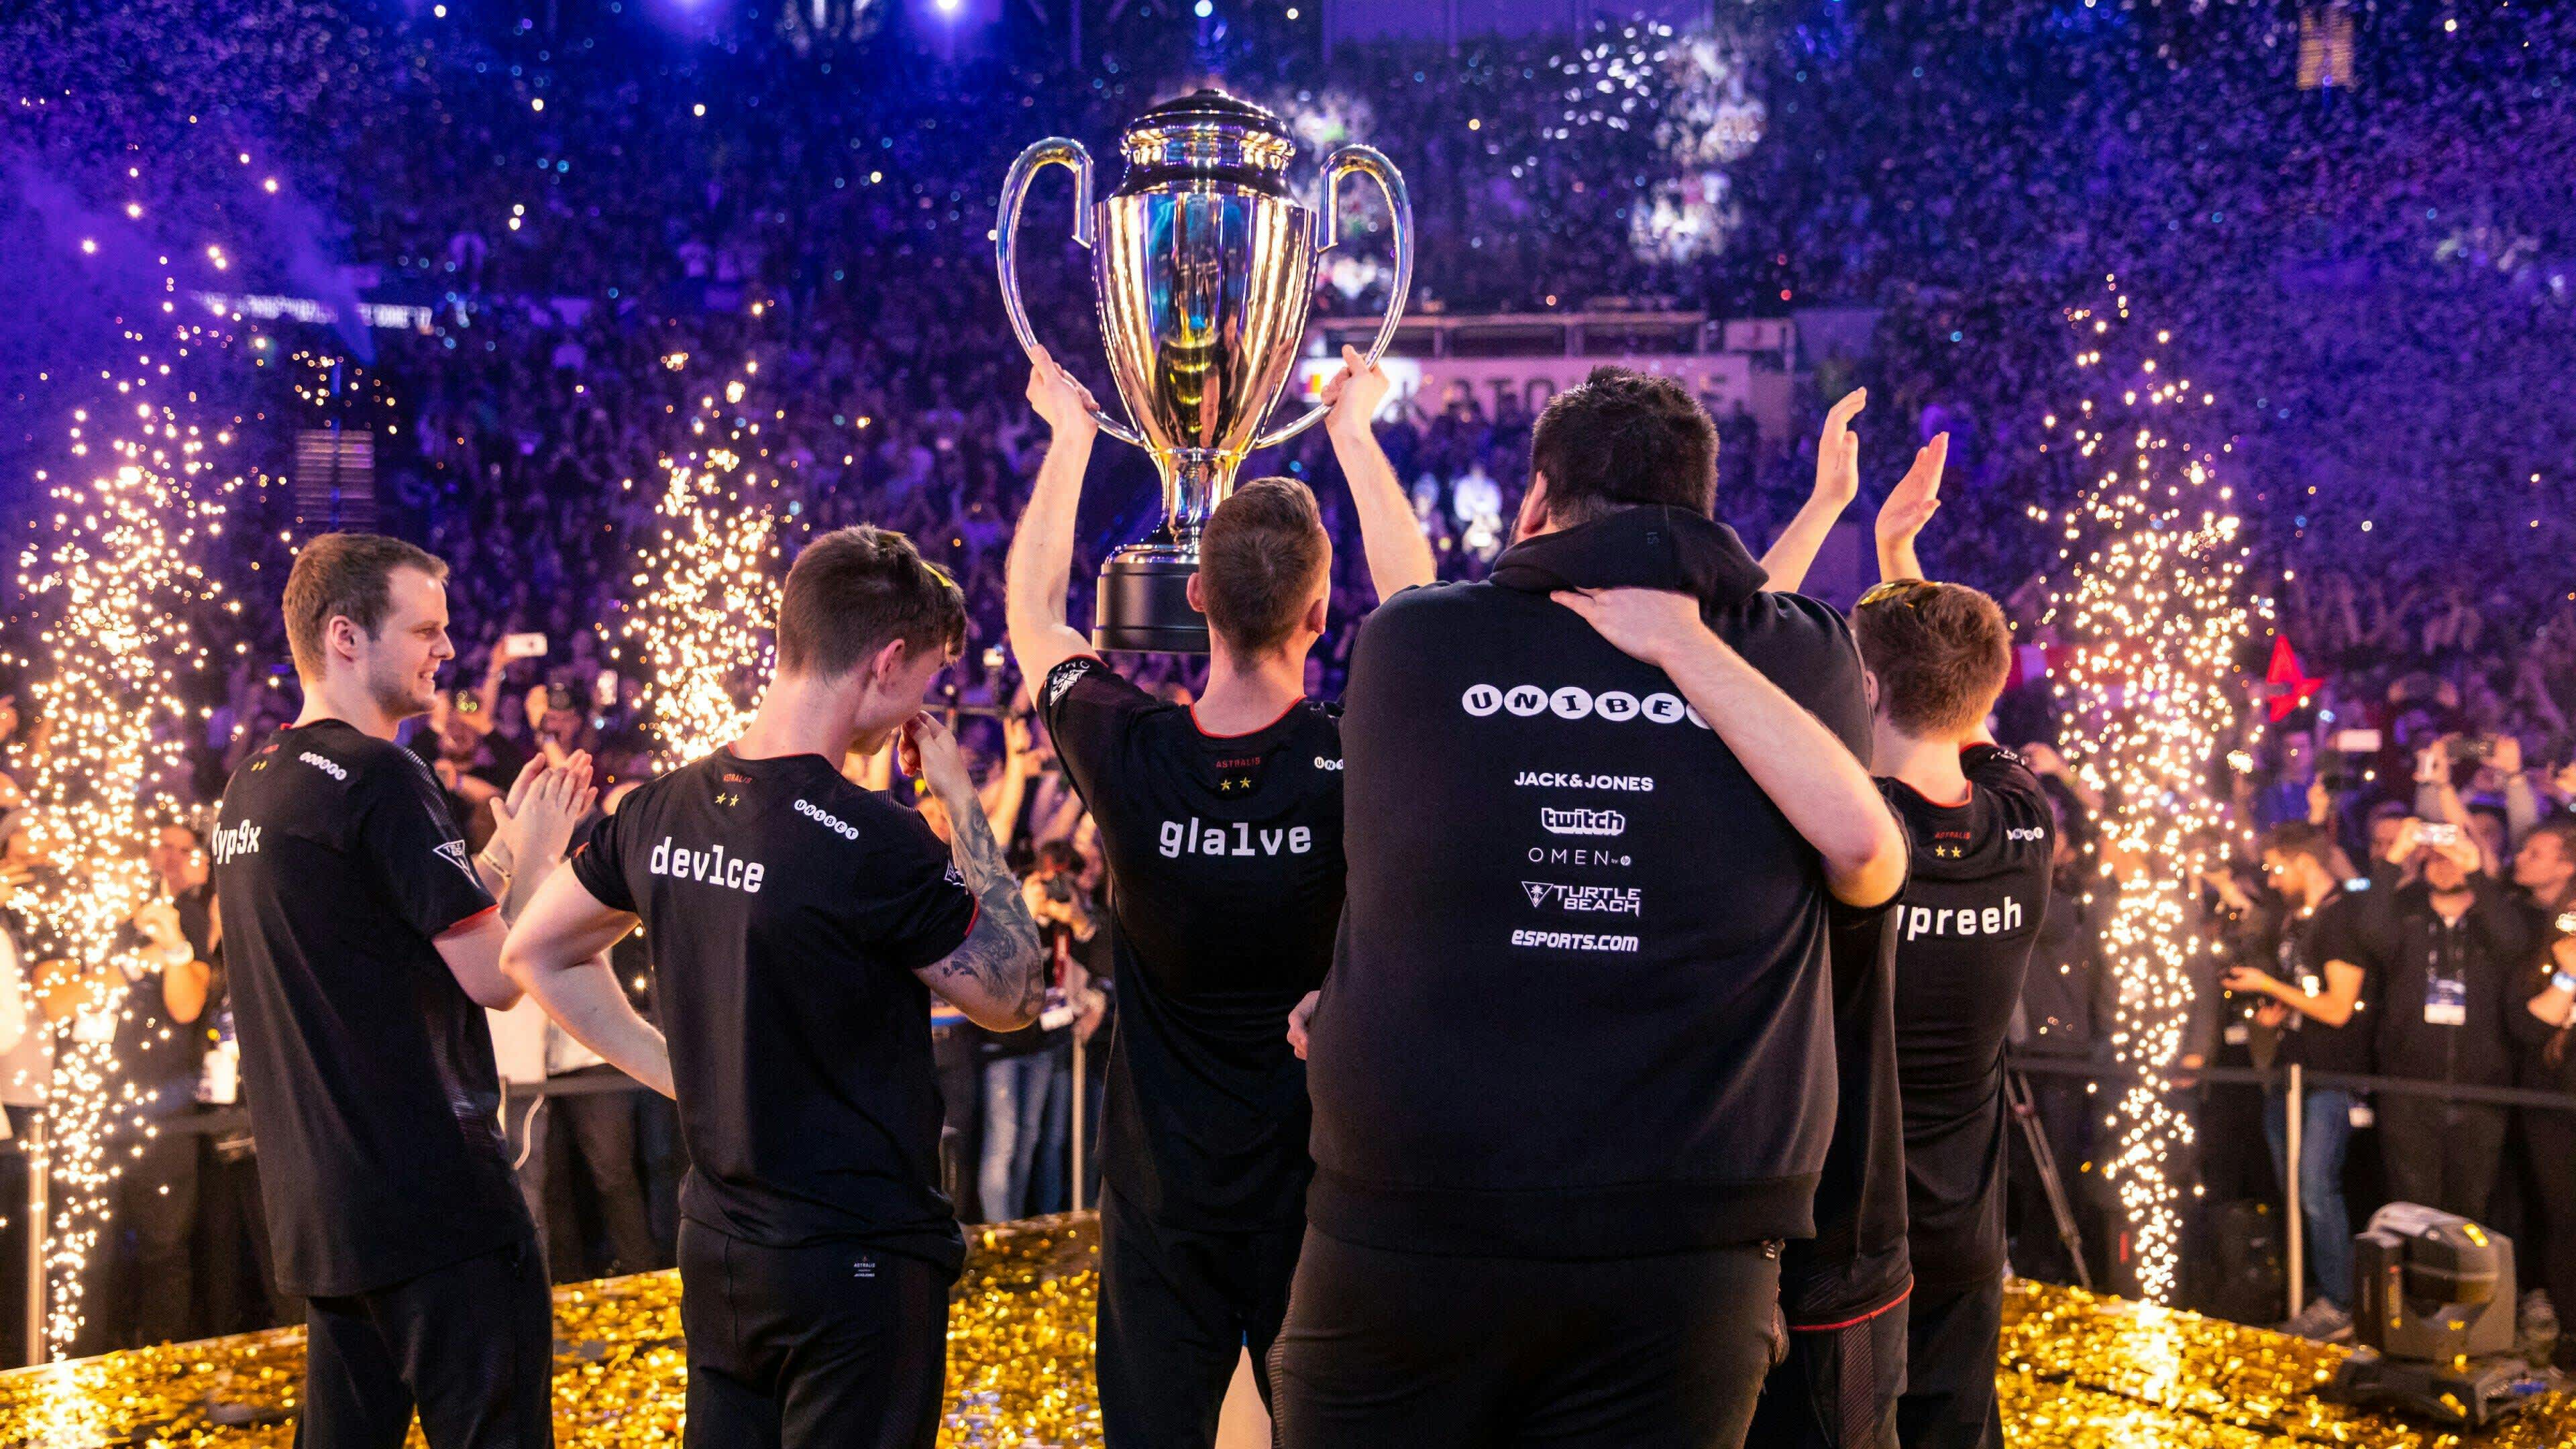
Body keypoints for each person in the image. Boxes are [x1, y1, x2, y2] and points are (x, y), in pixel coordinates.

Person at [1277, 366, 1907, 1446]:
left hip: (1412, 1227)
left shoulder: (1415, 642)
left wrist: (1359, 442)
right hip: (1689, 1248)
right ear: (1700, 504)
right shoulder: (1804, 654)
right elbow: (1865, 858)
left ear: (1536, 499)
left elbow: (1421, 599)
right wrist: (1692, 643)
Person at [500, 525, 1049, 1449]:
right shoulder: (875, 840)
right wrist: (960, 803)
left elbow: (534, 953)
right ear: (887, 662)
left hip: (721, 1247)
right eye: (927, 678)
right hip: (857, 1259)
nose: (926, 705)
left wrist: (676, 1073)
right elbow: (1016, 992)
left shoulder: (661, 805)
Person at [1004, 343, 1435, 1448]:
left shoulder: (1131, 750)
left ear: (1193, 598)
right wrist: (1354, 434)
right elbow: (1426, 616)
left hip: (1163, 1206)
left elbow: (1036, 618)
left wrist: (1068, 440)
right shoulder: (1352, 752)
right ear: (1322, 610)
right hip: (1316, 1197)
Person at [212, 533, 593, 1449]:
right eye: (426, 631)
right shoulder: (382, 775)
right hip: (437, 1209)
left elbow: (400, 929)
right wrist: (546, 861)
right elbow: (494, 977)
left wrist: (506, 855)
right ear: (346, 636)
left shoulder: (253, 784)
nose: (448, 651)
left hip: (330, 1212)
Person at [1850, 451, 2054, 1449]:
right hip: (1967, 1239)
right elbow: (1956, 707)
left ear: (1863, 685)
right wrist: (1901, 557)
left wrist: (1886, 550)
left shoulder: (1848, 839)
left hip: (1852, 1239)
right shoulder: (2025, 820)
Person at [2220, 820, 2373, 1342]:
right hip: (2291, 1068)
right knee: (2293, 1190)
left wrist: (2269, 984)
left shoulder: (2342, 918)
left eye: (2277, 867)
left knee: (2315, 1188)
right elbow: (2307, 995)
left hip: (2331, 1074)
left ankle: (2341, 1303)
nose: (2272, 878)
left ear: (2305, 862)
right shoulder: (2297, 919)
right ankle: (2311, 1290)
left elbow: (2337, 1008)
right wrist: (2280, 1008)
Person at [2353, 816, 2534, 1222]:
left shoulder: (2494, 916)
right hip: (2409, 1086)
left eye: (2453, 856)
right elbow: (2370, 933)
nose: (2444, 864)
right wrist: (2394, 860)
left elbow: (2514, 943)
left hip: (2481, 1087)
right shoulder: (2407, 916)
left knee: (2472, 1210)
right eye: (2434, 857)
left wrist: (2476, 872)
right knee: (2414, 1210)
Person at [2508, 818, 2576, 1370]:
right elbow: (2527, 1027)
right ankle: (2569, 1337)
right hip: (2553, 1101)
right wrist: (2568, 978)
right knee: (2564, 1218)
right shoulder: (2543, 950)